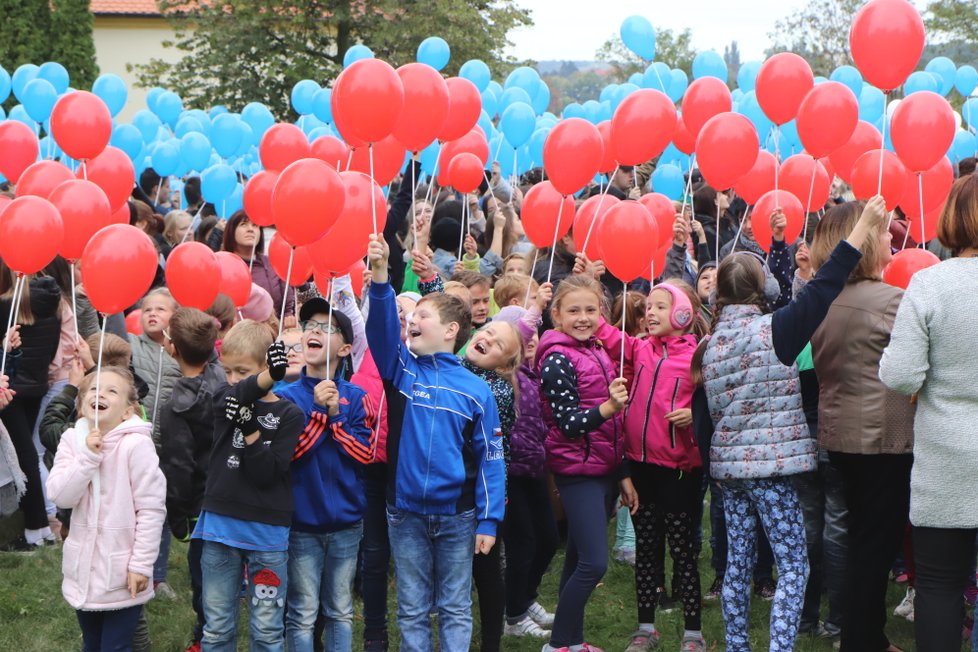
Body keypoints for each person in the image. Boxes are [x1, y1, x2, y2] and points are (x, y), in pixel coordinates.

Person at [693, 196, 888, 652]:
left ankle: (738, 646)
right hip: (771, 474)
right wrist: (862, 229)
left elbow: (704, 419)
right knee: (794, 565)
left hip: (729, 476)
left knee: (738, 565)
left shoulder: (710, 345)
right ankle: (780, 646)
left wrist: (713, 468)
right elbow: (825, 285)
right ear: (768, 292)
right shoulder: (774, 331)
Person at [365, 233, 505, 652]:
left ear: (450, 330)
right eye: (411, 316)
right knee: (410, 607)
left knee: (455, 606)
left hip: (458, 516)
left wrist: (488, 520)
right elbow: (382, 331)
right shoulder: (402, 369)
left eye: (422, 314)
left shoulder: (475, 391)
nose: (412, 320)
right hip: (404, 513)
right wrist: (378, 276)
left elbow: (491, 460)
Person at [807, 202, 913, 652]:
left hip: (839, 432)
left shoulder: (822, 298)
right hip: (882, 438)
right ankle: (862, 638)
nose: (894, 239)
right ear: (867, 241)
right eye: (887, 233)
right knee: (875, 541)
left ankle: (862, 632)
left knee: (859, 537)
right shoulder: (892, 301)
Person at [879, 174, 978, 652]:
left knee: (938, 585)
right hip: (948, 456)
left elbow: (898, 374)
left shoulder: (929, 283)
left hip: (946, 456)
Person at [599, 282, 709, 652]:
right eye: (648, 307)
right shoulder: (640, 350)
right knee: (646, 550)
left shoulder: (697, 358)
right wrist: (586, 291)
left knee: (682, 552)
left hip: (678, 471)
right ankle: (645, 627)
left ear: (682, 314)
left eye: (661, 307)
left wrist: (694, 417)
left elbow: (713, 412)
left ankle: (693, 632)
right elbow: (607, 334)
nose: (650, 313)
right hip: (641, 468)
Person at [536, 274, 637, 652]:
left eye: (591, 310)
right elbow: (568, 423)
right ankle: (558, 645)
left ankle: (572, 642)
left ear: (603, 314)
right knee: (594, 564)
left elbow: (613, 428)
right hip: (578, 473)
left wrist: (622, 473)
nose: (583, 317)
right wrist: (609, 406)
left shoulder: (596, 349)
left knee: (577, 559)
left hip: (603, 469)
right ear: (556, 315)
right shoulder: (557, 358)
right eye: (573, 310)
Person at [192, 323, 304, 650]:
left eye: (242, 371)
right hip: (219, 528)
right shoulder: (224, 398)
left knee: (268, 631)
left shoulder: (289, 413)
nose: (232, 379)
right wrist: (268, 377)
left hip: (267, 534)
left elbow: (266, 474)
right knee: (216, 628)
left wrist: (252, 430)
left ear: (264, 363)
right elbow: (239, 395)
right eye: (227, 370)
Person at [276, 298, 374, 652]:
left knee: (340, 611)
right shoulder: (285, 398)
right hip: (302, 525)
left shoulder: (357, 397)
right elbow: (288, 456)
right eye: (309, 326)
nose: (314, 331)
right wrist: (318, 412)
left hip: (347, 525)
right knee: (302, 612)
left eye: (327, 327)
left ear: (346, 349)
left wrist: (335, 417)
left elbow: (364, 455)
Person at [46, 366, 166, 650]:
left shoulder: (136, 445)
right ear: (81, 402)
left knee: (116, 646)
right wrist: (87, 457)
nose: (100, 394)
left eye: (112, 391)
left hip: (122, 572)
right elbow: (61, 497)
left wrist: (141, 564)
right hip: (83, 572)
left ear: (127, 411)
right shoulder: (72, 440)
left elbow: (151, 510)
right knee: (92, 643)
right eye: (93, 389)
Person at [158, 307, 224, 651]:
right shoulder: (226, 383)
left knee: (204, 576)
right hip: (232, 495)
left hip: (201, 508)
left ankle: (206, 637)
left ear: (172, 349)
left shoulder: (175, 408)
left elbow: (178, 467)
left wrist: (178, 517)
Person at [495, 292, 560, 640]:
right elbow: (516, 333)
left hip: (534, 466)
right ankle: (513, 617)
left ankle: (524, 597)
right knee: (523, 545)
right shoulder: (502, 374)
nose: (532, 338)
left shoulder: (533, 375)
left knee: (548, 539)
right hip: (509, 473)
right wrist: (533, 310)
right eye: (524, 332)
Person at [462, 315, 525, 651]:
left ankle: (490, 642)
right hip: (455, 490)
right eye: (485, 331)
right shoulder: (457, 365)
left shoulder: (496, 389)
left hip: (485, 493)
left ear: (505, 364)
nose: (486, 338)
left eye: (497, 342)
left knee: (485, 572)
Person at [0, 265, 62, 550]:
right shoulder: (54, 302)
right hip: (35, 386)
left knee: (24, 455)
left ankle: (36, 526)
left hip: (9, 388)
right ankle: (38, 524)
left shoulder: (6, 306)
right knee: (28, 454)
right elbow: (51, 351)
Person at [128, 287, 181, 598]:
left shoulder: (181, 355)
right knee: (130, 510)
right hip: (137, 446)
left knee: (158, 511)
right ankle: (129, 567)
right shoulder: (133, 346)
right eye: (147, 308)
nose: (152, 313)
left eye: (161, 309)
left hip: (168, 449)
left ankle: (157, 576)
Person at [215, 211, 295, 322]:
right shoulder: (221, 264)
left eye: (255, 226)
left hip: (273, 331)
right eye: (243, 224)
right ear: (231, 231)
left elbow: (288, 303)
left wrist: (288, 319)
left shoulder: (273, 263)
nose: (250, 229)